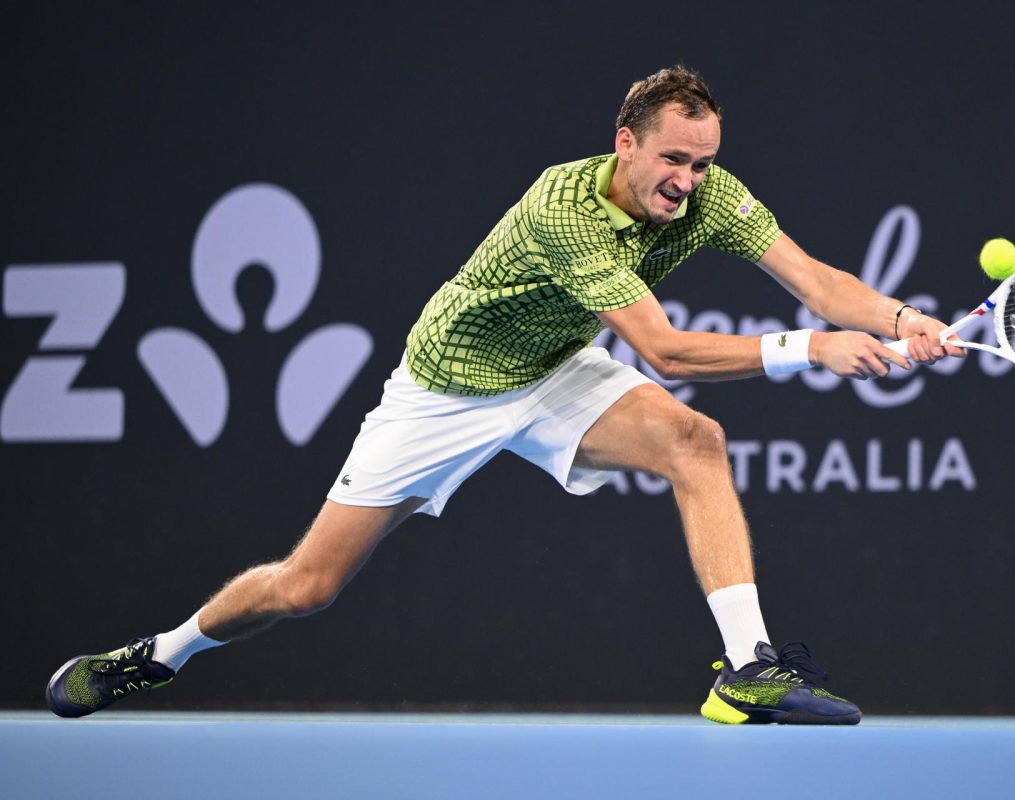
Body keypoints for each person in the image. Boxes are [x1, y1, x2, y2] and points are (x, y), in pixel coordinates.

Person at [46, 65, 962, 725]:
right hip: (447, 389)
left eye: (703, 163)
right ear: (626, 143)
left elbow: (816, 279)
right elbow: (664, 349)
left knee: (697, 443)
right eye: (673, 160)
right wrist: (811, 350)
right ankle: (159, 654)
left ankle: (747, 669)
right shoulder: (564, 209)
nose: (687, 181)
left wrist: (903, 319)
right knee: (304, 587)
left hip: (554, 367)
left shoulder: (709, 193)